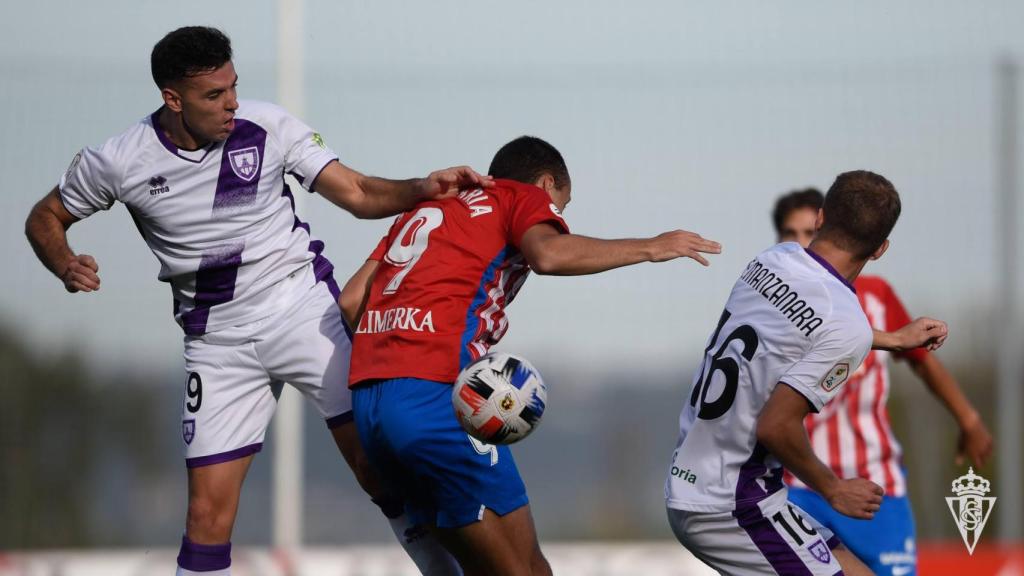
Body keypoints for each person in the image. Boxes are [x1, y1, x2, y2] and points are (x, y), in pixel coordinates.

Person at [24, 26, 484, 576]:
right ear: (173, 99)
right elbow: (44, 216)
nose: (231, 104)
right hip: (216, 342)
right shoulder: (119, 161)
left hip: (302, 311)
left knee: (376, 464)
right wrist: (64, 262)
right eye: (213, 96)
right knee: (206, 516)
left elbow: (357, 191)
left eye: (233, 87)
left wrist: (420, 187)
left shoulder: (267, 127)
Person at [339, 135, 722, 575]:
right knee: (526, 571)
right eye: (562, 204)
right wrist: (652, 247)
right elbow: (548, 254)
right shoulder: (517, 195)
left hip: (372, 409)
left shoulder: (430, 208)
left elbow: (352, 300)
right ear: (546, 183)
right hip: (437, 398)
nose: (557, 217)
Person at [665, 171, 950, 576]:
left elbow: (800, 330)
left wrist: (891, 339)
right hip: (733, 503)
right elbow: (776, 427)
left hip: (700, 480)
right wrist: (834, 489)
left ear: (819, 218)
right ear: (881, 249)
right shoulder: (845, 323)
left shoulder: (770, 260)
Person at [771, 188, 993, 576]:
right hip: (800, 484)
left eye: (809, 232)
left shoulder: (874, 297)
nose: (802, 243)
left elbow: (922, 362)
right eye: (791, 234)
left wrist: (969, 420)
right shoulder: (773, 303)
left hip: (876, 486)